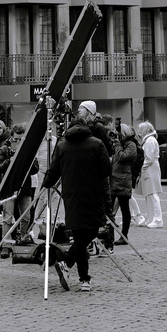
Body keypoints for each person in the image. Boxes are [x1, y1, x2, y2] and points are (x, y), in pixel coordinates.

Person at [41, 101, 112, 292]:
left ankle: (80, 274)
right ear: (86, 126)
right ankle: (77, 272)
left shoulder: (62, 145)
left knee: (80, 235)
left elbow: (53, 170)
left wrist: (45, 183)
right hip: (93, 193)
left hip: (72, 194)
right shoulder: (96, 144)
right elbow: (107, 169)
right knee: (89, 233)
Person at [110, 122, 144, 240]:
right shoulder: (121, 144)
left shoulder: (131, 145)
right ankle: (110, 236)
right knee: (110, 210)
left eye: (118, 133)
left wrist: (118, 145)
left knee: (125, 209)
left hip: (124, 181)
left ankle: (124, 236)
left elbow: (123, 157)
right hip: (114, 180)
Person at [135, 122, 162, 228]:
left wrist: (143, 167)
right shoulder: (148, 140)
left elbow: (149, 158)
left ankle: (158, 219)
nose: (139, 132)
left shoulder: (150, 140)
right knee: (148, 194)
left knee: (153, 194)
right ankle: (152, 218)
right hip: (150, 167)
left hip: (151, 168)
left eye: (141, 130)